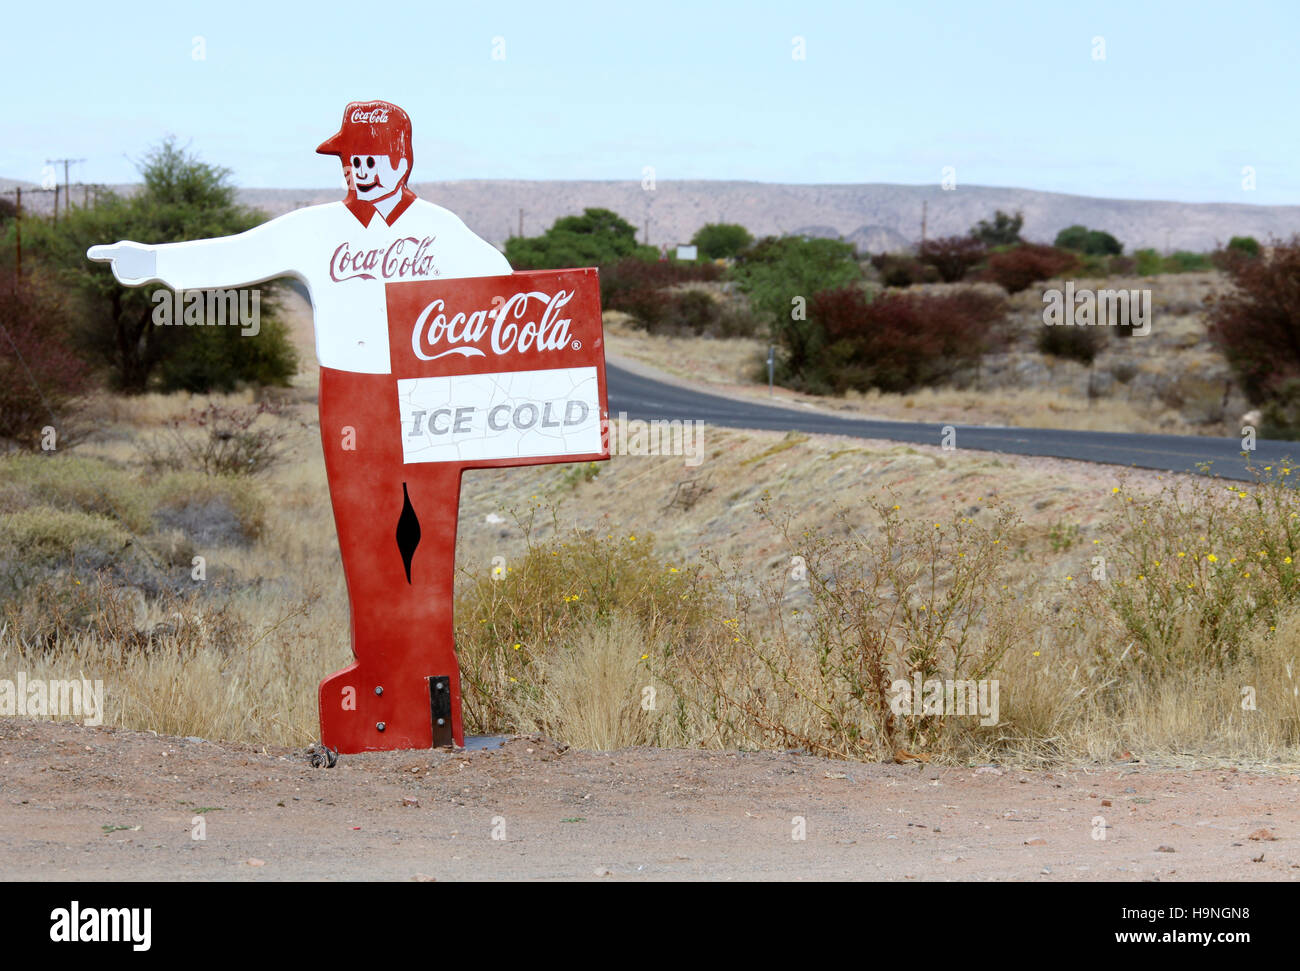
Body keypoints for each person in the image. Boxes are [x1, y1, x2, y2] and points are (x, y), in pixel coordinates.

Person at [88, 101, 512, 751]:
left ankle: (426, 699)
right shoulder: (318, 228)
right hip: (348, 398)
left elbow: (503, 283)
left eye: (370, 158)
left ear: (402, 160)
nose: (360, 171)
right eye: (351, 160)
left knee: (425, 547)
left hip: (424, 397)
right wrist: (151, 262)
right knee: (368, 548)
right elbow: (237, 255)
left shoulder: (437, 227)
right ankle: (383, 699)